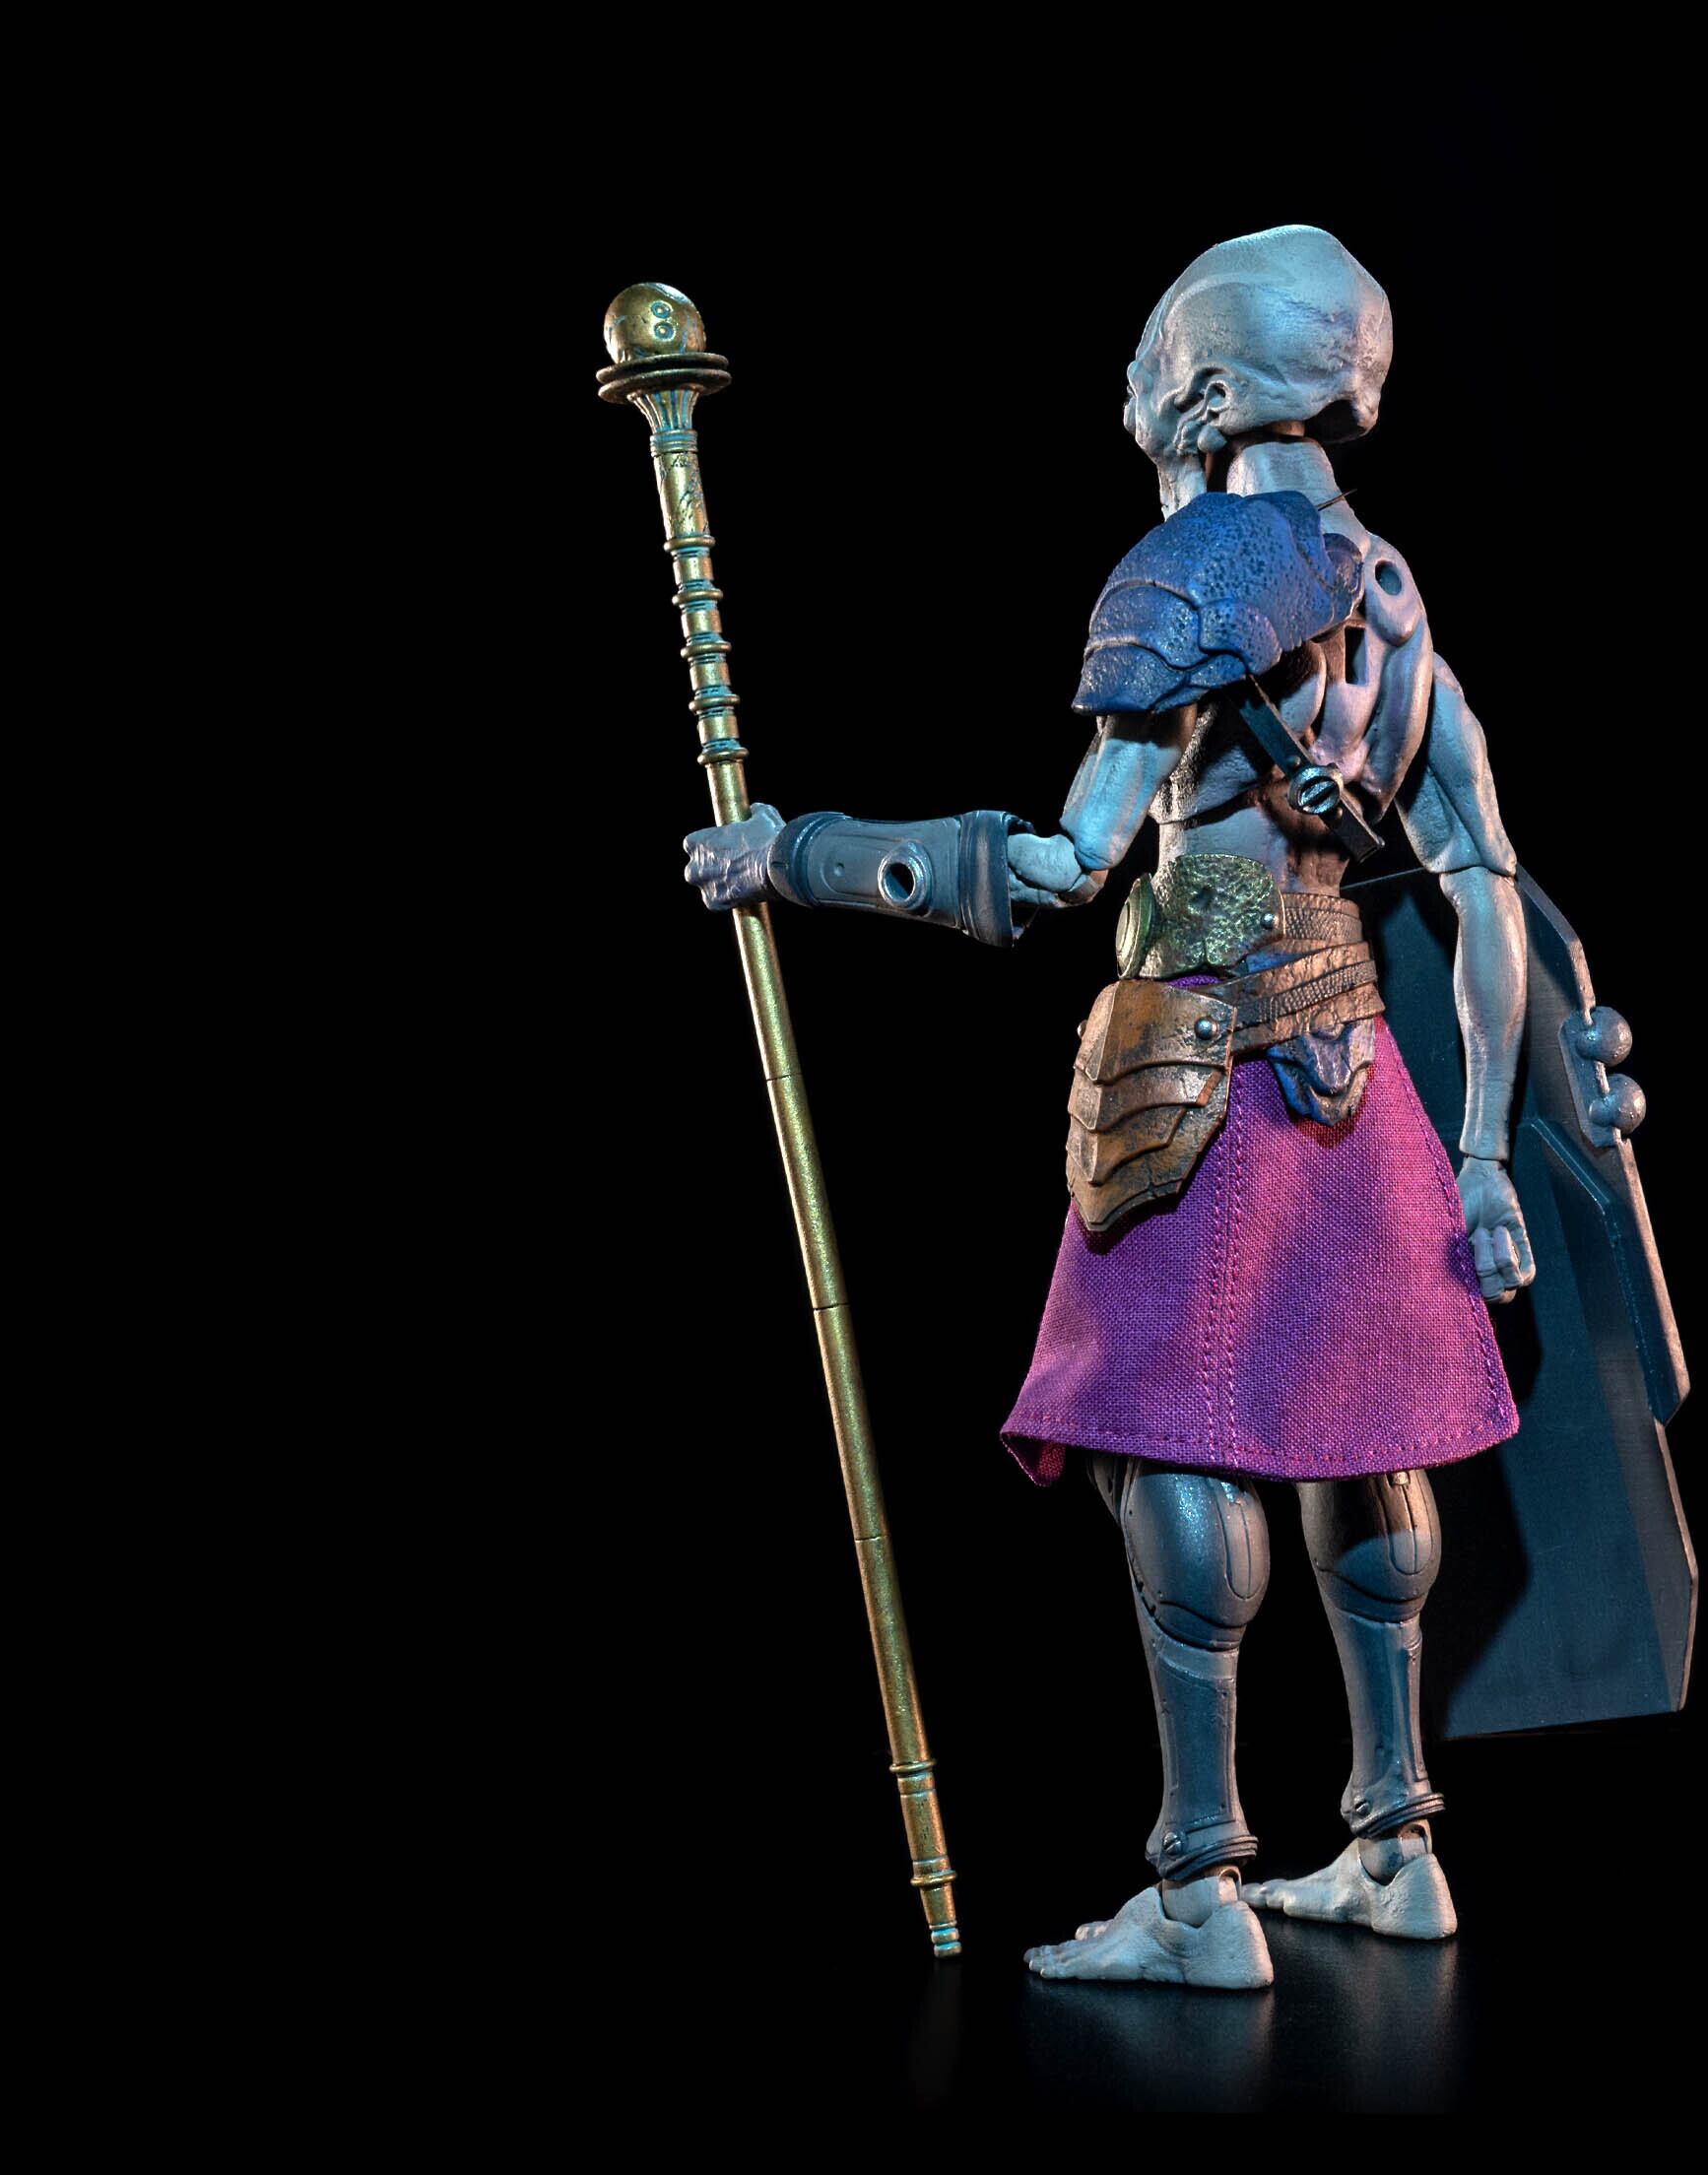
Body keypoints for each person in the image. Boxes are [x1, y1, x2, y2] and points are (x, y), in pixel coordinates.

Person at [684, 227, 1536, 1989]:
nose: (1133, 394)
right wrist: (1482, 1150)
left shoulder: (1192, 573)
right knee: (1361, 1426)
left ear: (1207, 396)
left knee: (1175, 1438)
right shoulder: (1391, 590)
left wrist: (799, 853)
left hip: (1200, 1062)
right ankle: (1397, 1848)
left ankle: (1201, 1891)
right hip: (1360, 1059)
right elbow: (1484, 878)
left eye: (1153, 368)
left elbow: (1070, 862)